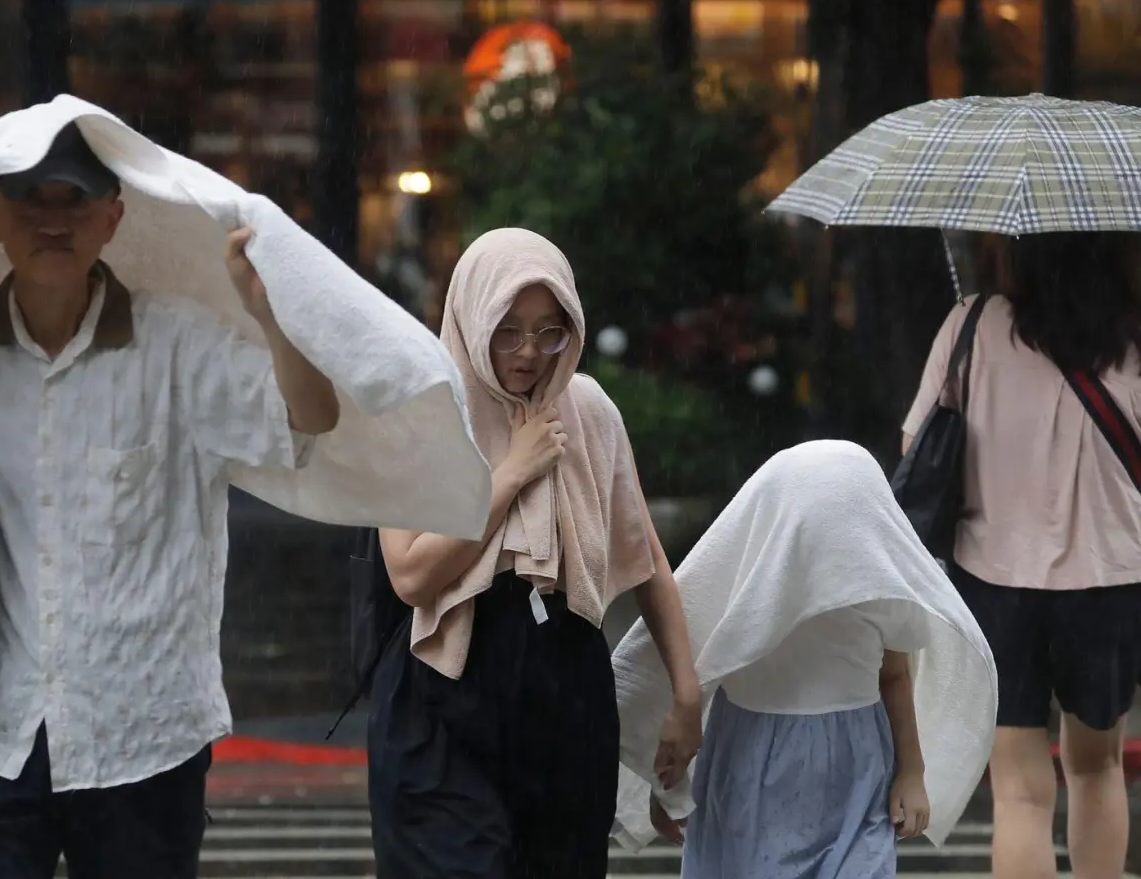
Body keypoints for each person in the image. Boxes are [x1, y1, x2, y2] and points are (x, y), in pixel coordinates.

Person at [0, 125, 340, 878]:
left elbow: (311, 416)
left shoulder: (176, 346)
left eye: (73, 201)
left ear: (112, 218)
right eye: (27, 199)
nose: (52, 220)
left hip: (145, 738)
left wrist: (271, 314)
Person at [366, 228, 703, 879]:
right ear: (471, 315)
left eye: (550, 332)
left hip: (564, 681)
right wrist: (511, 474)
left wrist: (687, 694)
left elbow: (647, 559)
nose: (527, 354)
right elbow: (411, 575)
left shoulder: (588, 411)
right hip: (445, 682)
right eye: (507, 329)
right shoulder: (420, 413)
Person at [611, 441, 995, 879]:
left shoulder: (882, 591)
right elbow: (694, 679)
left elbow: (895, 676)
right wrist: (671, 789)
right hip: (748, 773)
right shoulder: (749, 593)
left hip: (857, 773)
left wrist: (912, 772)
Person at [903, 231, 1141, 879]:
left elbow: (915, 441)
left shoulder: (971, 321)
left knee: (1018, 791)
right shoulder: (1132, 331)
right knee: (1097, 769)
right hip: (1112, 580)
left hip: (995, 581)